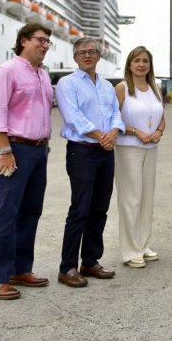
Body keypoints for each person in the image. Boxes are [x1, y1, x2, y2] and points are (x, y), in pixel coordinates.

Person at [0, 23, 54, 300]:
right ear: (23, 41)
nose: (45, 45)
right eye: (40, 40)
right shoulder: (7, 71)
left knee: (30, 212)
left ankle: (20, 269)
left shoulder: (43, 76)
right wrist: (5, 150)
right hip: (14, 150)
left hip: (38, 151)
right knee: (6, 212)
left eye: (48, 42)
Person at [55, 38, 125, 288]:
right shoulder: (68, 83)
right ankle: (68, 267)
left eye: (91, 52)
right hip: (82, 152)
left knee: (100, 208)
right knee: (80, 209)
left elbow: (116, 113)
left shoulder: (106, 86)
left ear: (99, 56)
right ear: (75, 57)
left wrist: (114, 133)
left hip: (105, 152)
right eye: (82, 52)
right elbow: (73, 117)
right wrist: (101, 136)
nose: (87, 55)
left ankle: (90, 261)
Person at [114, 46, 166, 268]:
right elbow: (113, 120)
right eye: (137, 60)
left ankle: (143, 244)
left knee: (146, 198)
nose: (141, 64)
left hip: (150, 148)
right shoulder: (122, 88)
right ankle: (130, 250)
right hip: (128, 148)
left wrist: (158, 132)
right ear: (129, 64)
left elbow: (162, 117)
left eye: (145, 60)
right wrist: (136, 132)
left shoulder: (155, 87)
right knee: (131, 198)